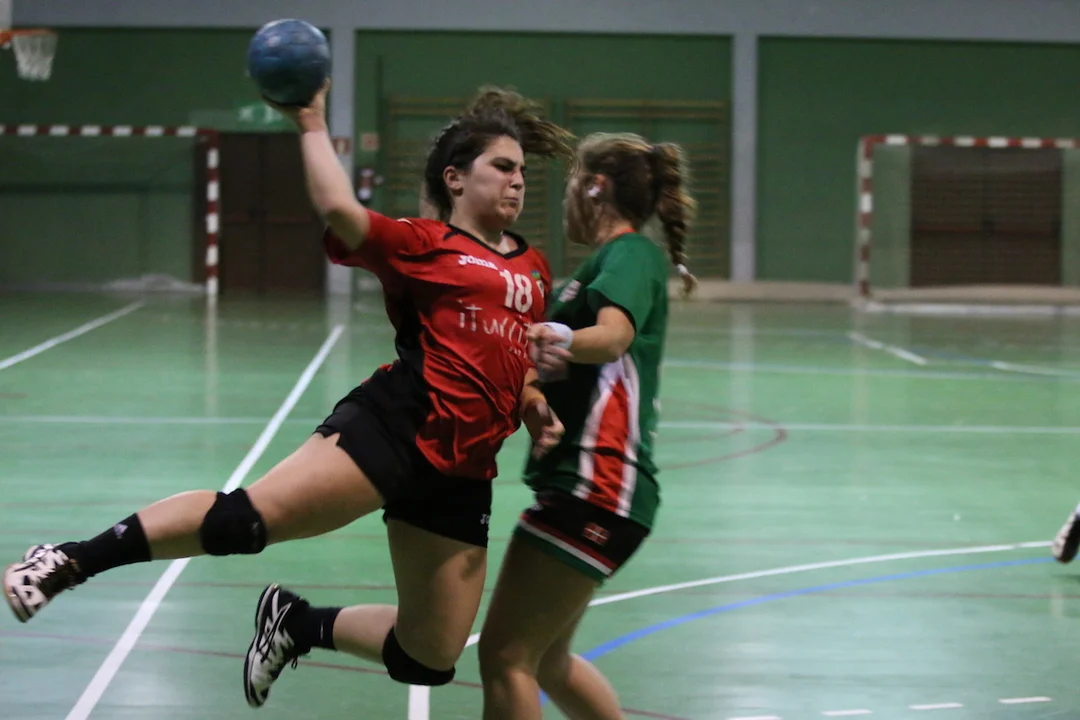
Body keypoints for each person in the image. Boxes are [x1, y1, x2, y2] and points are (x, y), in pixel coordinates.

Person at [3, 81, 575, 709]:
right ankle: (67, 561)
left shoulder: (534, 268)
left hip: (462, 470)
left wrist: (532, 404)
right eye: (503, 167)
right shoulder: (423, 243)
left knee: (429, 655)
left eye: (523, 171)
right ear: (456, 179)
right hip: (398, 426)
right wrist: (310, 122)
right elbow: (338, 207)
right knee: (243, 521)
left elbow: (512, 356)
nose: (518, 181)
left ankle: (296, 625)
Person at [475, 132, 697, 719]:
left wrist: (560, 337)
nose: (565, 194)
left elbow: (614, 337)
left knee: (506, 656)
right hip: (592, 486)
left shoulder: (630, 253)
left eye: (572, 181)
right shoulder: (597, 267)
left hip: (597, 486)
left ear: (595, 187)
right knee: (548, 661)